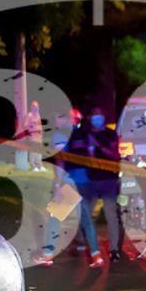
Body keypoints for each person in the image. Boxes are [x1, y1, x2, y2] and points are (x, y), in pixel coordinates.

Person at [33, 110, 93, 266]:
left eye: (57, 117)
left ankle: (48, 252)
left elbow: (61, 160)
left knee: (55, 216)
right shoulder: (83, 134)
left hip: (69, 181)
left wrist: (58, 183)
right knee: (85, 216)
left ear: (65, 119)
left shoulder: (60, 135)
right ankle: (93, 251)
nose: (55, 121)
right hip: (84, 180)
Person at [69, 106, 123, 266]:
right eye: (95, 115)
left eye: (100, 115)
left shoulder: (109, 134)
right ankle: (80, 241)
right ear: (90, 118)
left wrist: (98, 146)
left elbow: (115, 155)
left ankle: (114, 250)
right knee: (85, 213)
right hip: (90, 180)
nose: (97, 118)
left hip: (109, 180)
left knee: (111, 215)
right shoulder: (85, 134)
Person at [23, 101, 46, 171]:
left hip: (39, 137)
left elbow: (40, 125)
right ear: (31, 107)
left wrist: (41, 133)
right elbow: (25, 125)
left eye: (37, 107)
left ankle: (40, 166)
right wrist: (31, 129)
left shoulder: (38, 115)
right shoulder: (29, 115)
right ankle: (33, 166)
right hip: (33, 137)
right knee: (33, 152)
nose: (36, 108)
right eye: (34, 107)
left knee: (39, 152)